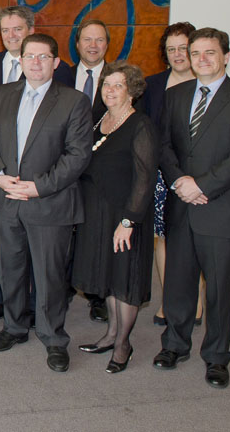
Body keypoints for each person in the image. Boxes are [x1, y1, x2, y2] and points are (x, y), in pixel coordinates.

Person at [154, 28, 230, 389]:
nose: (201, 59)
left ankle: (217, 358)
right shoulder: (176, 95)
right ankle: (174, 344)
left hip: (221, 208)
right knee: (177, 282)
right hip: (181, 206)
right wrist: (179, 182)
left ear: (226, 56)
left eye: (210, 53)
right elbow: (165, 146)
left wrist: (200, 186)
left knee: (218, 289)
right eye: (196, 52)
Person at [0, 33, 92, 373]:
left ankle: (53, 336)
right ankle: (14, 327)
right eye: (30, 56)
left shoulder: (73, 101)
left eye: (44, 57)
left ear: (56, 63)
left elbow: (78, 156)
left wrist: (37, 188)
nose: (36, 63)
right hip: (7, 200)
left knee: (49, 276)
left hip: (49, 203)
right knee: (10, 270)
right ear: (21, 59)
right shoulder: (2, 94)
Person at [72, 62, 157, 373]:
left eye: (118, 85)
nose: (110, 90)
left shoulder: (140, 125)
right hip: (98, 213)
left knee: (125, 278)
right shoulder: (100, 119)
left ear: (131, 91)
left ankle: (123, 343)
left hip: (125, 217)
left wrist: (128, 222)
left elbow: (145, 178)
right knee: (107, 276)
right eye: (107, 84)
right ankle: (109, 334)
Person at [141, 22, 203, 327]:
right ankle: (168, 301)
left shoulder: (208, 85)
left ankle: (198, 301)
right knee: (163, 238)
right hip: (163, 175)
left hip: (200, 178)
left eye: (183, 48)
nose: (178, 54)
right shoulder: (153, 85)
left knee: (197, 238)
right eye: (171, 49)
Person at [68, 18, 113, 323]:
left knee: (98, 232)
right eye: (87, 40)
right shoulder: (60, 74)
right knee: (65, 231)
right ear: (78, 43)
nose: (93, 45)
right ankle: (66, 284)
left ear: (107, 44)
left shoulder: (119, 76)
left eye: (99, 40)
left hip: (102, 170)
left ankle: (98, 294)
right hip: (65, 168)